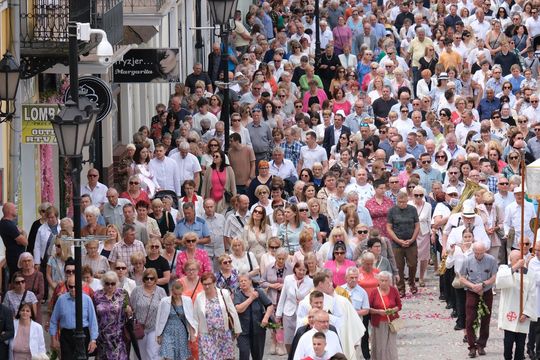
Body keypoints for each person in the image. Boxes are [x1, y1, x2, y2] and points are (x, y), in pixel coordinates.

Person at [459, 242, 498, 358]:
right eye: (477, 253)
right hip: (472, 291)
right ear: (473, 251)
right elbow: (461, 277)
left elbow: (494, 276)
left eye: (481, 253)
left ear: (485, 251)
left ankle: (481, 345)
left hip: (486, 291)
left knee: (485, 319)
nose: (479, 255)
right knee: (470, 319)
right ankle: (471, 346)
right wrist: (473, 286)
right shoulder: (467, 260)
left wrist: (483, 285)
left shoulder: (491, 260)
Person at [496, 250, 537, 360]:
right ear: (511, 259)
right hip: (509, 312)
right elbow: (499, 282)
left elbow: (532, 295)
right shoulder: (504, 269)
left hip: (522, 315)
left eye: (521, 259)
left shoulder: (529, 274)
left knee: (520, 344)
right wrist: (514, 268)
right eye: (517, 259)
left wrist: (527, 313)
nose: (520, 261)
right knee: (508, 343)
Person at [193, 272, 242, 360]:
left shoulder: (224, 293)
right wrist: (194, 334)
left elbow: (232, 311)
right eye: (204, 284)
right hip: (206, 335)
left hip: (223, 333)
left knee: (226, 358)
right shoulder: (199, 297)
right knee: (209, 357)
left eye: (209, 284)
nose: (207, 286)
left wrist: (237, 328)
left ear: (214, 283)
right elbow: (195, 317)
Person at [49, 276, 98, 358]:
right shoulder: (61, 299)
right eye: (71, 286)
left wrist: (93, 340)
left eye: (76, 286)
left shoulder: (87, 299)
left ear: (80, 286)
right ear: (67, 286)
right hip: (66, 335)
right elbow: (53, 320)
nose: (73, 289)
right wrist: (53, 339)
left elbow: (93, 321)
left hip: (83, 334)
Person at [386, 191, 420, 297]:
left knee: (413, 264)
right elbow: (389, 228)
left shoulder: (412, 209)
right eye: (400, 202)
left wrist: (412, 239)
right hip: (397, 243)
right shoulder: (392, 211)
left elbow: (417, 226)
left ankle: (412, 282)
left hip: (411, 242)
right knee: (398, 266)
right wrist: (398, 240)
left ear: (407, 200)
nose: (402, 204)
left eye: (404, 202)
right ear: (397, 201)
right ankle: (401, 288)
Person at [234, 273, 275, 360]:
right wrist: (251, 298)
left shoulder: (259, 291)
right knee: (244, 354)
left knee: (258, 356)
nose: (243, 283)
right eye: (241, 281)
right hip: (243, 331)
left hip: (258, 330)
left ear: (250, 282)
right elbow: (239, 309)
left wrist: (266, 317)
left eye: (245, 280)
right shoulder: (238, 294)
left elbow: (269, 305)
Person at [276, 261, 313, 354]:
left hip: (303, 314)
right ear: (295, 269)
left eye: (304, 270)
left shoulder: (310, 282)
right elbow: (283, 296)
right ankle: (290, 356)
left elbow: (311, 298)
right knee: (288, 340)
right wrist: (278, 314)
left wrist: (303, 302)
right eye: (299, 269)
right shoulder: (288, 279)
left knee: (301, 338)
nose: (302, 272)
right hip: (288, 312)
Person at [130, 268, 167, 360]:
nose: (149, 280)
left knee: (152, 352)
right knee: (141, 353)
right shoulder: (136, 291)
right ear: (143, 279)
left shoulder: (161, 291)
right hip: (140, 327)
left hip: (155, 327)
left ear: (155, 279)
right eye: (147, 278)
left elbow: (165, 309)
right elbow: (132, 307)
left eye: (152, 278)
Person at [92, 271, 131, 360]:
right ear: (103, 283)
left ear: (116, 283)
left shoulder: (122, 294)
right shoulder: (96, 295)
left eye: (113, 284)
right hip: (102, 337)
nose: (110, 286)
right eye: (107, 283)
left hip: (118, 337)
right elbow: (93, 315)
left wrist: (129, 311)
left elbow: (129, 313)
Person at [156, 280, 196, 360]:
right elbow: (160, 318)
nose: (177, 296)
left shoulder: (187, 300)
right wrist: (159, 334)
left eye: (179, 294)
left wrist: (192, 335)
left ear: (182, 291)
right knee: (168, 355)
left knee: (181, 356)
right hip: (168, 330)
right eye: (175, 294)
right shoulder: (165, 301)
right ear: (171, 291)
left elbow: (190, 318)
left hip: (182, 331)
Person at [368, 271, 402, 360]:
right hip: (379, 323)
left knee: (391, 346)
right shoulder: (374, 292)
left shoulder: (394, 290)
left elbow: (399, 306)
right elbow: (369, 309)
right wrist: (378, 311)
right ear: (378, 281)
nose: (384, 282)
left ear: (389, 281)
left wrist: (393, 310)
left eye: (386, 280)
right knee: (380, 346)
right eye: (382, 280)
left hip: (392, 322)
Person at [409, 185, 432, 287]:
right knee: (412, 257)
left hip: (424, 233)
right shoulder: (409, 204)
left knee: (424, 257)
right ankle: (412, 277)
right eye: (416, 195)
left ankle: (422, 277)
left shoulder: (428, 205)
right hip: (411, 233)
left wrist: (432, 234)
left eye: (421, 195)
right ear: (413, 195)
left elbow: (429, 220)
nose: (418, 197)